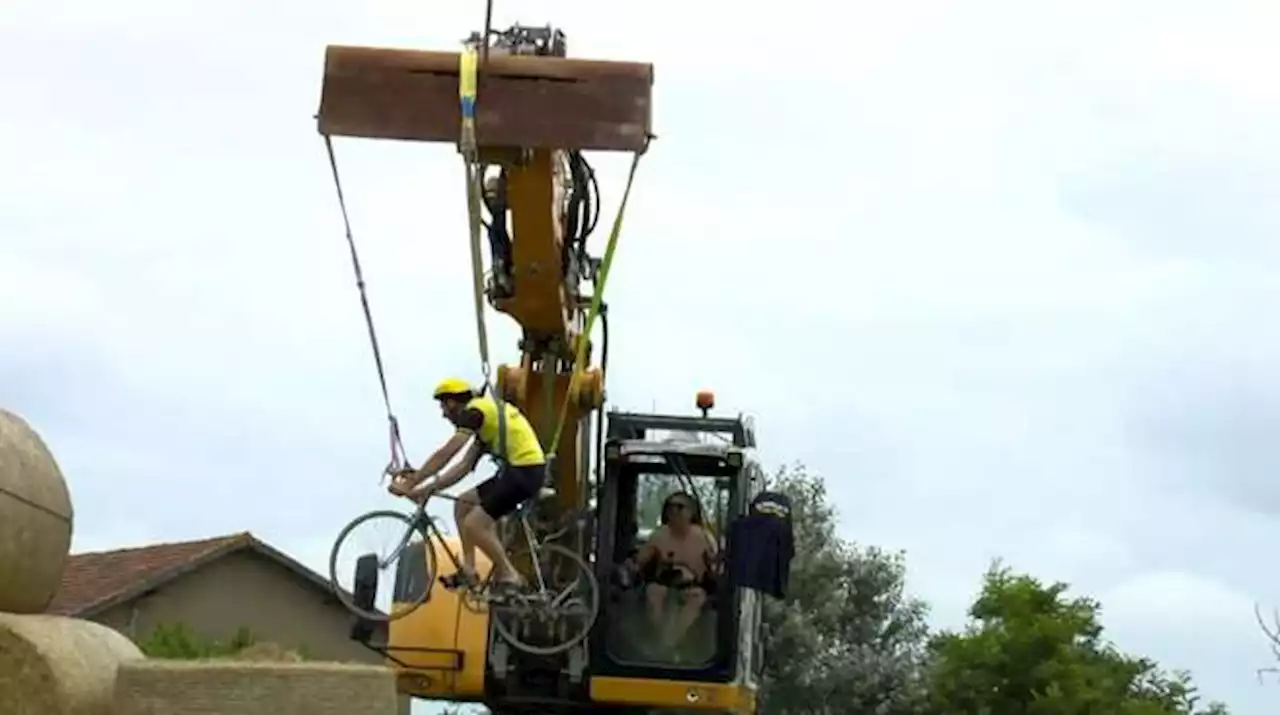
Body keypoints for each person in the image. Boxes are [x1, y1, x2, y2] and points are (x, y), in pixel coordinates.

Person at [389, 377, 546, 593]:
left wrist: (411, 483)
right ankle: (469, 570)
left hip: (524, 472)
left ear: (453, 403)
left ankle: (511, 575)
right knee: (462, 504)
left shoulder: (474, 413)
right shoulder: (483, 419)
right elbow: (462, 467)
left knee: (474, 524)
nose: (444, 414)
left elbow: (447, 453)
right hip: (517, 471)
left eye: (443, 407)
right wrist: (424, 491)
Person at [634, 491, 719, 651]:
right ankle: (662, 639)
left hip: (692, 586)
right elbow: (638, 563)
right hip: (663, 583)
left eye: (679, 507)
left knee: (697, 597)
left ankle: (669, 643)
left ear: (691, 512)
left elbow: (715, 570)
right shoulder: (659, 535)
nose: (674, 512)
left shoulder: (704, 538)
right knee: (653, 592)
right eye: (670, 508)